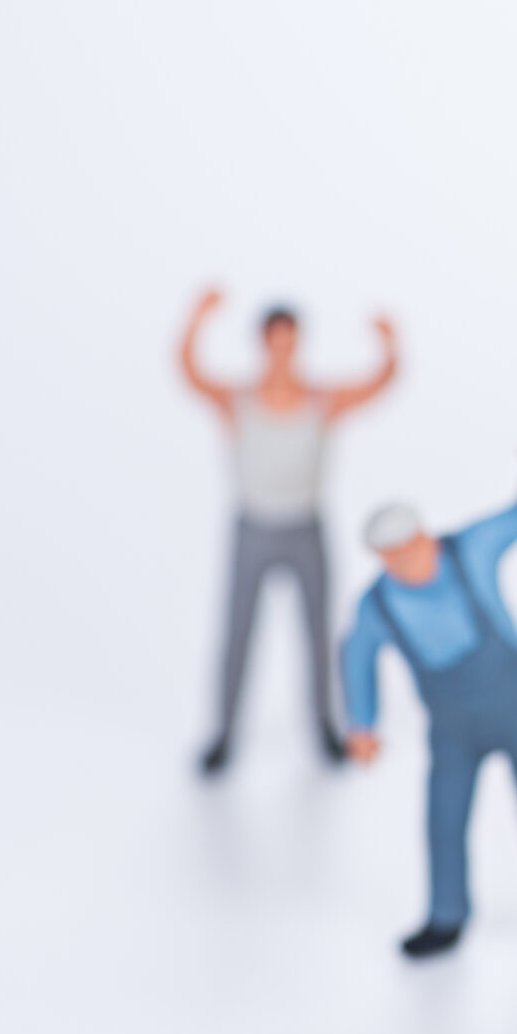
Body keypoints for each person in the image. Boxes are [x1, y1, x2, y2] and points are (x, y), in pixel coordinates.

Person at [340, 444, 517, 960]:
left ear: (424, 535)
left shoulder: (472, 549)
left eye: (412, 546)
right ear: (380, 559)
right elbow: (356, 656)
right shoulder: (376, 604)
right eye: (394, 555)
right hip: (452, 726)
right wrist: (362, 725)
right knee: (444, 817)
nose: (408, 560)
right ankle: (446, 915)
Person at [179, 289, 397, 773]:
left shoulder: (321, 399)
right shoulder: (239, 400)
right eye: (274, 340)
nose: (281, 349)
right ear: (263, 342)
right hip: (253, 528)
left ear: (297, 343)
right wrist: (196, 319)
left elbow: (377, 384)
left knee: (317, 634)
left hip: (306, 528)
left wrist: (389, 345)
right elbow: (191, 374)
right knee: (237, 633)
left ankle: (323, 727)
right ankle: (224, 734)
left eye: (289, 341)